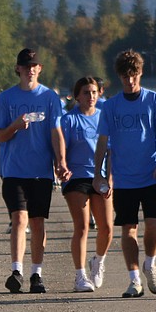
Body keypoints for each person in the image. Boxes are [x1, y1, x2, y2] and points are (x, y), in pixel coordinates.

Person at [92, 50, 156, 297]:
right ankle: (134, 279)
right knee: (127, 229)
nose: (131, 81)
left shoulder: (155, 100)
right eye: (126, 76)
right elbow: (102, 142)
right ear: (119, 76)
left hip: (151, 175)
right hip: (124, 178)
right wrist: (100, 174)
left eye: (135, 75)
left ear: (140, 73)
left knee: (152, 225)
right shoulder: (111, 106)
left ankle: (150, 263)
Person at [0, 48, 70, 294]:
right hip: (13, 169)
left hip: (41, 171)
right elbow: (0, 136)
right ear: (18, 69)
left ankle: (37, 273)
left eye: (34, 66)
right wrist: (15, 126)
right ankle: (16, 271)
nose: (29, 70)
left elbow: (55, 132)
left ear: (39, 69)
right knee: (19, 219)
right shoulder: (6, 98)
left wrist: (61, 161)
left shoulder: (49, 97)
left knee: (37, 222)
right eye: (25, 66)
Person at [60, 76, 114, 292]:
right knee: (82, 227)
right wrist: (61, 166)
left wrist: (109, 177)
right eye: (85, 92)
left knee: (107, 229)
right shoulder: (69, 120)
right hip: (77, 177)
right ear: (77, 96)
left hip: (100, 176)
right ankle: (80, 275)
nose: (90, 96)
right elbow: (60, 148)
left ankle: (98, 262)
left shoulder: (105, 118)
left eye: (93, 92)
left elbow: (112, 152)